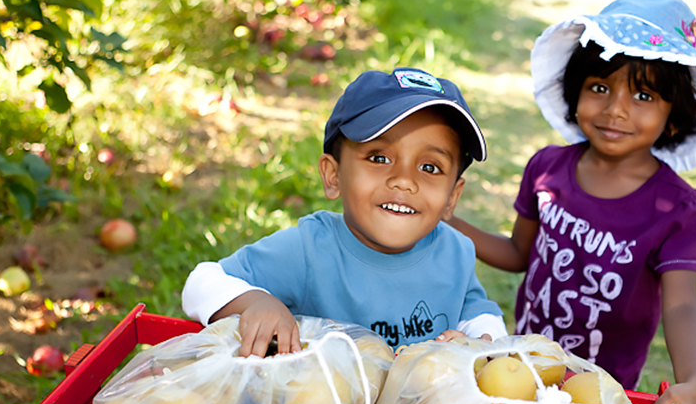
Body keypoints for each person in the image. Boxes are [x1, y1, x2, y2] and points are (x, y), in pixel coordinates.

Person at [447, 0, 696, 404]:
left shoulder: (679, 209)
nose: (615, 109)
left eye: (643, 94)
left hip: (601, 390)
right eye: (600, 88)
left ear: (674, 116)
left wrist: (693, 382)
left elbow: (681, 305)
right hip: (524, 368)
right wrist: (447, 221)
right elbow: (517, 252)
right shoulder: (547, 169)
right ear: (576, 91)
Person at [182, 67, 508, 357]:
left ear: (452, 196)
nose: (404, 181)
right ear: (333, 175)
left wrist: (482, 339)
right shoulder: (309, 250)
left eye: (429, 167)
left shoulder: (455, 252)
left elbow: (479, 312)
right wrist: (255, 302)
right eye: (379, 158)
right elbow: (202, 282)